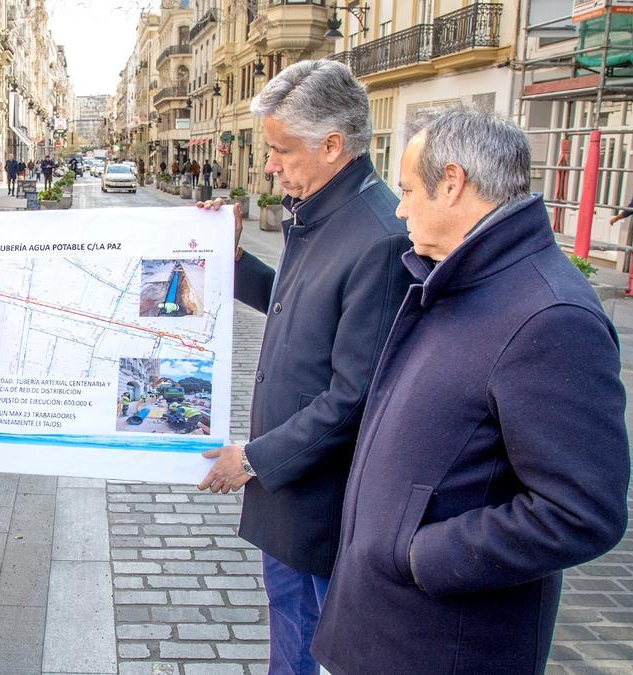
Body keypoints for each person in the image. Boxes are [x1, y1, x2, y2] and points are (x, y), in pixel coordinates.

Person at [310, 108, 630, 674]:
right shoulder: (462, 276)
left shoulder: (549, 315)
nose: (401, 206)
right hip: (384, 625)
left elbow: (580, 511)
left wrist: (418, 553)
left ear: (452, 183)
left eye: (408, 190)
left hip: (440, 643)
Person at [194, 59, 414, 675]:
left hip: (323, 502)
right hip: (291, 494)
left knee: (317, 644)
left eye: (281, 150)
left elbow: (353, 397)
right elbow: (295, 306)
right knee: (288, 634)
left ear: (333, 146)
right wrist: (229, 257)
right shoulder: (321, 210)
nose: (270, 165)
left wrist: (256, 457)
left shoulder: (378, 238)